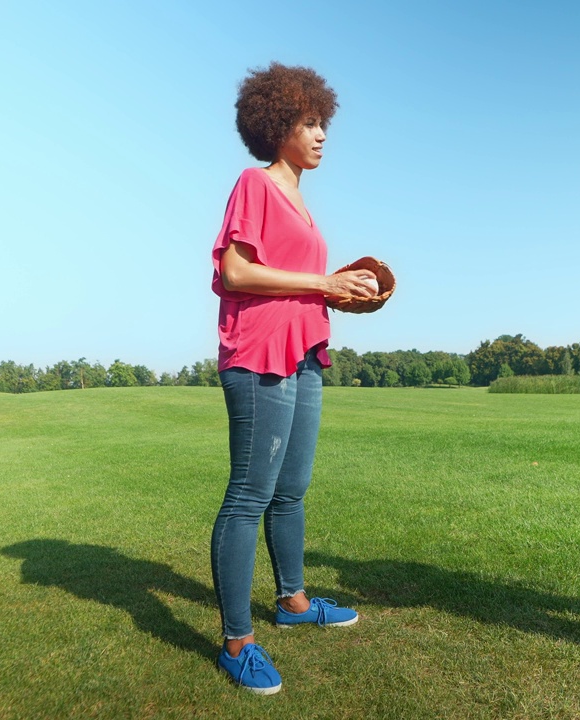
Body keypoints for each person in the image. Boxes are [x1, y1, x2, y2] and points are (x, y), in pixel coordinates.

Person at [208, 62, 376, 694]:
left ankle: (294, 603)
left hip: (304, 351)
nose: (321, 134)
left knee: (292, 489)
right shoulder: (256, 184)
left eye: (323, 123)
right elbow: (237, 274)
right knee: (249, 495)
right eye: (310, 123)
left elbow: (299, 283)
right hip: (257, 357)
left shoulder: (303, 203)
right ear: (277, 124)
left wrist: (344, 293)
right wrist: (321, 282)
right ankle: (236, 641)